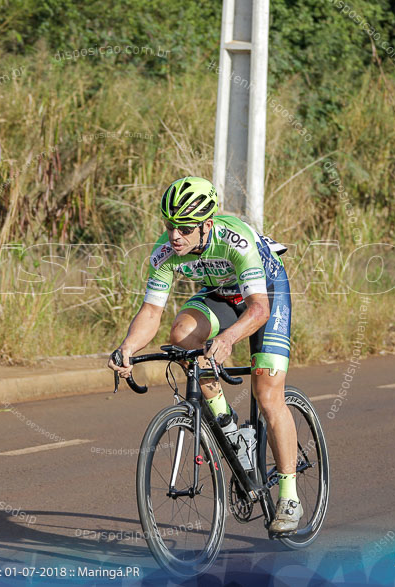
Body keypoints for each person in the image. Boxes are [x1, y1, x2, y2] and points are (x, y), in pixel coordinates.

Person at [107, 176, 301, 532]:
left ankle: (289, 494)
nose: (174, 236)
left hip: (265, 295)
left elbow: (258, 309)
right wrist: (128, 348)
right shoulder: (166, 252)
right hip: (222, 294)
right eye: (170, 227)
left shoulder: (235, 240)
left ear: (206, 225)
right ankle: (229, 427)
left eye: (183, 228)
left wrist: (227, 339)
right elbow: (152, 312)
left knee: (267, 393)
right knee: (183, 337)